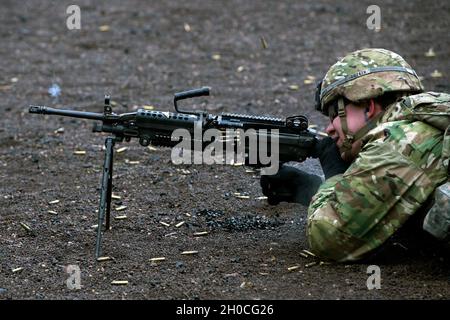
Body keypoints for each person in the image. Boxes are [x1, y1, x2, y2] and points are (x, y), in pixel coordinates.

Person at [261, 48, 450, 262]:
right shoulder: (423, 127)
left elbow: (330, 237)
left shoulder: (400, 142)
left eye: (334, 114)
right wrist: (310, 187)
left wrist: (334, 174)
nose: (330, 128)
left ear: (368, 107)